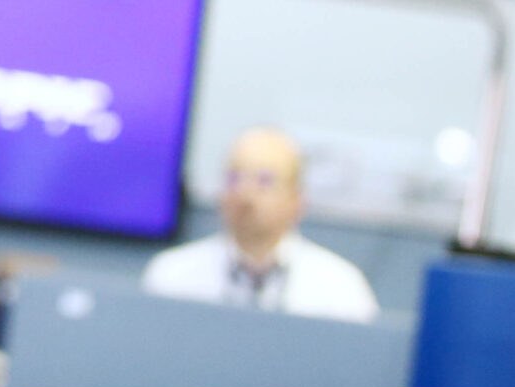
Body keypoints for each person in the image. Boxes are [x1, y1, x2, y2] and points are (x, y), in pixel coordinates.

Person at [141, 126, 380, 323]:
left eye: (265, 181)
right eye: (234, 179)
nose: (245, 195)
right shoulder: (170, 277)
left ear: (297, 201)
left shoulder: (340, 289)